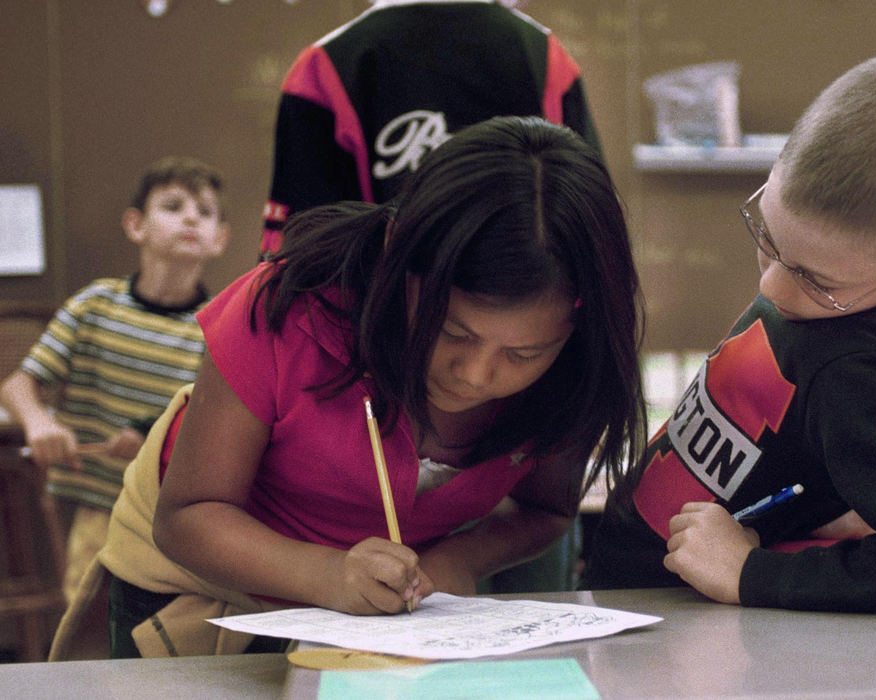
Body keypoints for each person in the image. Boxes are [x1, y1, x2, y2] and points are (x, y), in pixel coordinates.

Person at [50, 116, 645, 659]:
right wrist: (326, 575)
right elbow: (188, 516)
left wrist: (458, 558)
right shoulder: (289, 307)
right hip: (194, 584)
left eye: (524, 354)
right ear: (398, 258)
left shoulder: (581, 367)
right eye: (450, 331)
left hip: (378, 620)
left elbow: (544, 508)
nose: (475, 375)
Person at [583, 51, 876, 613]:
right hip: (624, 566)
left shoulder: (854, 379)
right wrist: (862, 502)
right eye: (769, 238)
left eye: (815, 279)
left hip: (675, 615)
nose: (773, 289)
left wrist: (754, 574)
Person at [0, 157, 229, 604]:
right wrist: (39, 422)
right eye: (173, 205)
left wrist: (152, 443)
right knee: (89, 634)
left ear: (220, 238)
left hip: (180, 524)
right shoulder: (94, 305)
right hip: (100, 514)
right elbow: (17, 385)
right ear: (135, 224)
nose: (190, 218)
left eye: (204, 212)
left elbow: (215, 430)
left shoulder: (220, 327)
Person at [260, 0, 602, 257]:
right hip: (530, 337)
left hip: (381, 336)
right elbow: (596, 224)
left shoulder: (326, 62)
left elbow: (299, 252)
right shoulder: (542, 51)